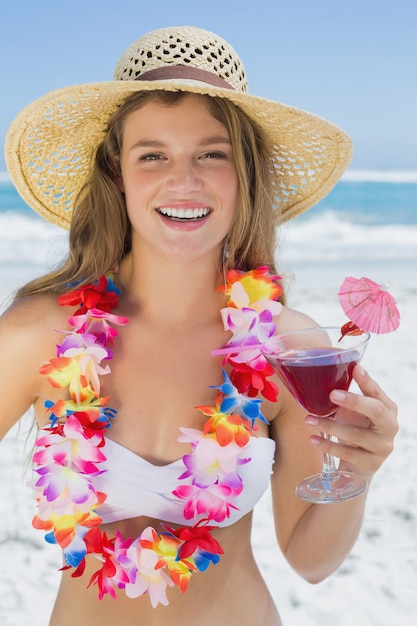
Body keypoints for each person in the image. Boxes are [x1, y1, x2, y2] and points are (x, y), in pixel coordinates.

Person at [1, 26, 398, 626]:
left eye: (212, 153)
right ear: (117, 173)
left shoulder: (289, 347)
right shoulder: (41, 332)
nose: (183, 181)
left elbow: (311, 562)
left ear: (245, 173)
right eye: (152, 154)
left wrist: (358, 472)